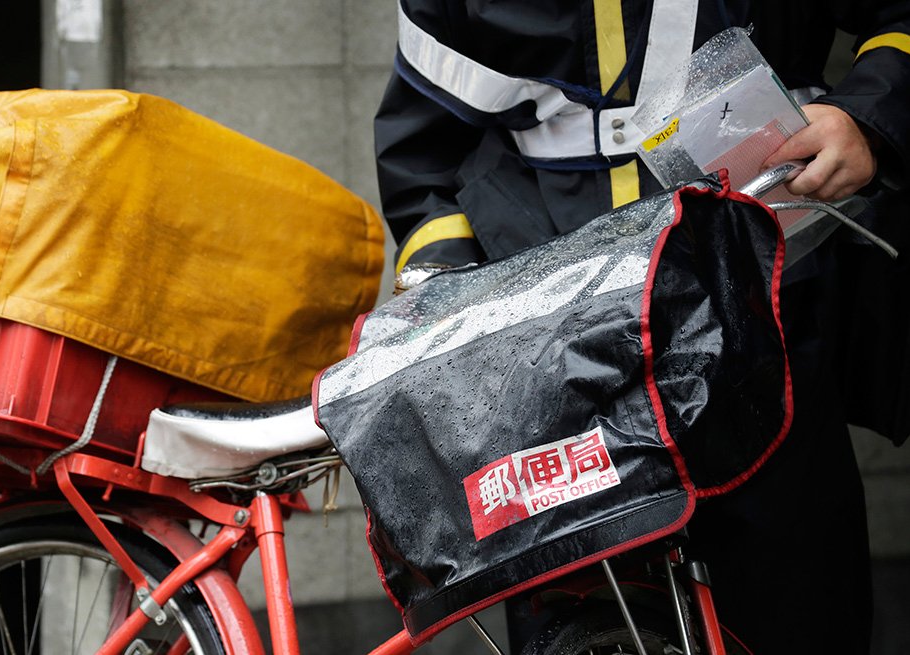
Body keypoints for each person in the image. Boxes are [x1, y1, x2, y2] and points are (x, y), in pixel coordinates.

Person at [374, 2, 910, 652]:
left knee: (796, 608)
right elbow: (423, 156)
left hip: (760, 315)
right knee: (578, 627)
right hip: (556, 359)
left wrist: (867, 119)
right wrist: (465, 310)